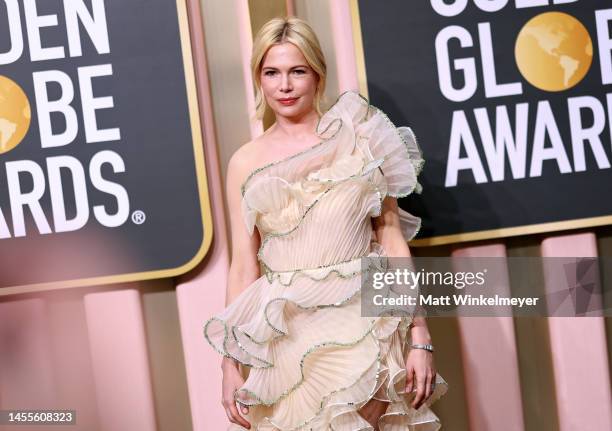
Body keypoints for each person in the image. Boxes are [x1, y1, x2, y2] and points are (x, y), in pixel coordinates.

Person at [204, 16, 448, 430]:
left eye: (297, 71)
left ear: (318, 74)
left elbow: (390, 241)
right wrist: (230, 364)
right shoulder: (245, 162)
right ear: (258, 80)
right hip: (286, 338)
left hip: (364, 323)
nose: (284, 85)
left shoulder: (361, 139)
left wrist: (420, 335)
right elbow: (244, 267)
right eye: (271, 73)